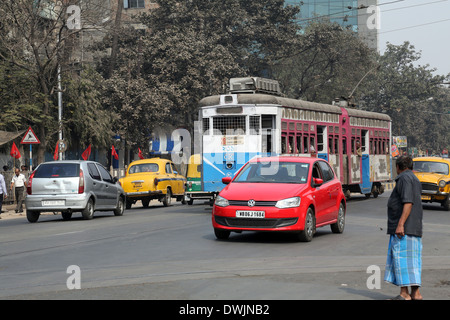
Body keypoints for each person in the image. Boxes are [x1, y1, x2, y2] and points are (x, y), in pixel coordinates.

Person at [384, 155, 423, 300]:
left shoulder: (404, 179)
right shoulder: (414, 179)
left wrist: (400, 224)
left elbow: (408, 202)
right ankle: (415, 293)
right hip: (414, 227)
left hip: (404, 229)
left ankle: (404, 294)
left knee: (402, 260)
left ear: (398, 167)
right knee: (412, 262)